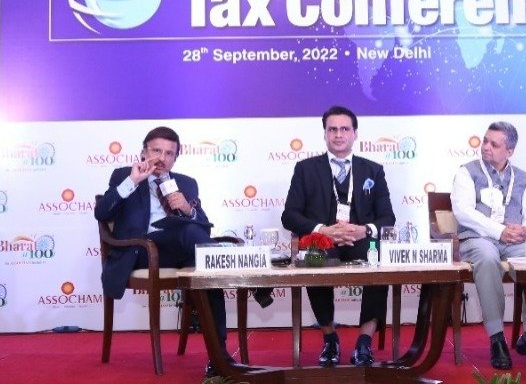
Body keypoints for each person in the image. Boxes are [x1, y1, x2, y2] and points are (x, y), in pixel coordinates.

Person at [94, 126, 268, 376]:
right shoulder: (124, 175)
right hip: (141, 251)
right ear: (144, 152)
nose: (162, 158)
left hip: (177, 250)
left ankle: (218, 357)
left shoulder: (186, 183)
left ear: (176, 157)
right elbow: (102, 213)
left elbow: (203, 226)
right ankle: (247, 276)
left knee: (207, 269)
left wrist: (188, 209)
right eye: (156, 151)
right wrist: (133, 181)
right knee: (196, 242)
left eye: (169, 153)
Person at [281, 105, 396, 367]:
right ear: (325, 134)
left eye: (345, 129)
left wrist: (364, 229)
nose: (338, 134)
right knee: (314, 257)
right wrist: (323, 230)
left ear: (355, 133)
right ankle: (330, 338)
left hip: (360, 239)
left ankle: (364, 342)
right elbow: (289, 215)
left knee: (378, 259)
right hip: (324, 240)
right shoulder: (305, 169)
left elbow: (388, 217)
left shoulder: (373, 170)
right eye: (332, 129)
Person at [450, 121, 526, 370]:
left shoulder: (523, 177)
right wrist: (499, 231)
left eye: (494, 144)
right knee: (487, 256)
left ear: (510, 151)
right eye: (485, 141)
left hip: (514, 242)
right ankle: (497, 339)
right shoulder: (467, 172)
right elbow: (463, 212)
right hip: (478, 239)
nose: (486, 147)